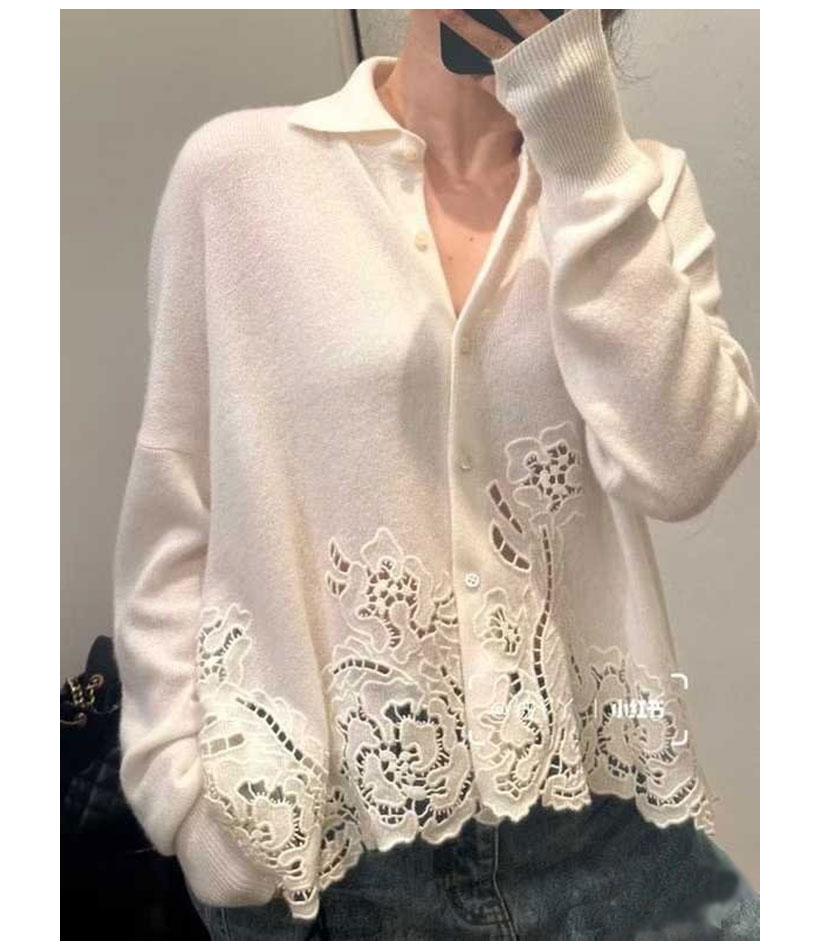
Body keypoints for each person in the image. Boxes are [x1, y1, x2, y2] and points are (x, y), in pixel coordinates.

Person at [113, 8, 761, 940]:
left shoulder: (639, 185)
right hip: (332, 859)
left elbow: (681, 466)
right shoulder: (239, 174)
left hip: (603, 827)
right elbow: (175, 504)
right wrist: (179, 796)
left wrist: (582, 148)